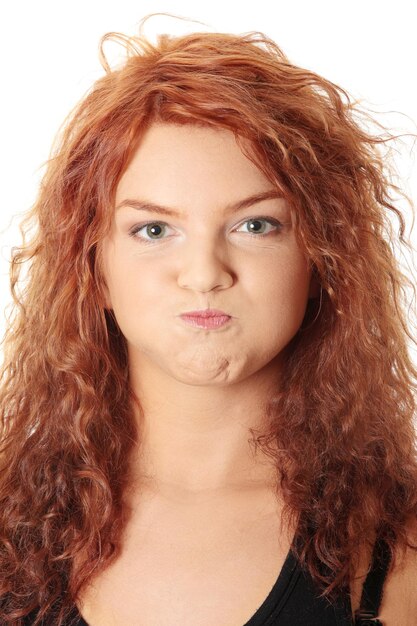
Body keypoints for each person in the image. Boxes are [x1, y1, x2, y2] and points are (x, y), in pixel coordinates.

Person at [1, 12, 417, 626]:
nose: (203, 273)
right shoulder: (11, 527)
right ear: (94, 268)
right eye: (153, 229)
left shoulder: (399, 548)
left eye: (255, 225)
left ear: (322, 259)